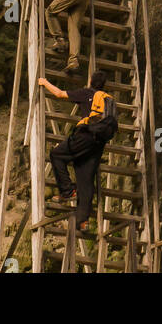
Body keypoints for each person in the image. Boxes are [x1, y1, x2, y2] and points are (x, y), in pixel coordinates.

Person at [39, 66, 116, 230]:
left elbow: (59, 93)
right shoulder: (108, 99)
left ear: (90, 82)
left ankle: (67, 191)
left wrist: (44, 82)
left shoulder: (87, 93)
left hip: (85, 134)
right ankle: (83, 221)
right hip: (98, 143)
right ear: (104, 85)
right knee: (85, 179)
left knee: (56, 154)